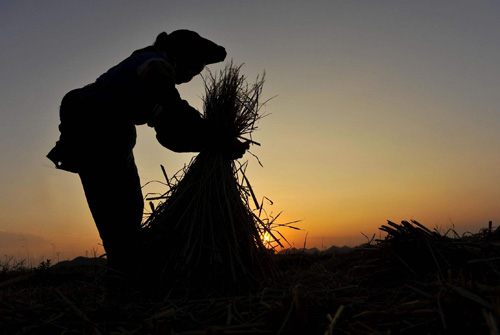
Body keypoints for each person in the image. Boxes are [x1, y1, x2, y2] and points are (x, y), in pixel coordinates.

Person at [47, 30, 248, 276]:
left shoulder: (144, 69)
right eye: (195, 69)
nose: (190, 78)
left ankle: (123, 269)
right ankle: (127, 269)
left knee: (113, 209)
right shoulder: (156, 66)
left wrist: (207, 140)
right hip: (98, 124)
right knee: (123, 205)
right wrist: (218, 138)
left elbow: (169, 133)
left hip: (86, 130)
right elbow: (174, 111)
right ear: (182, 55)